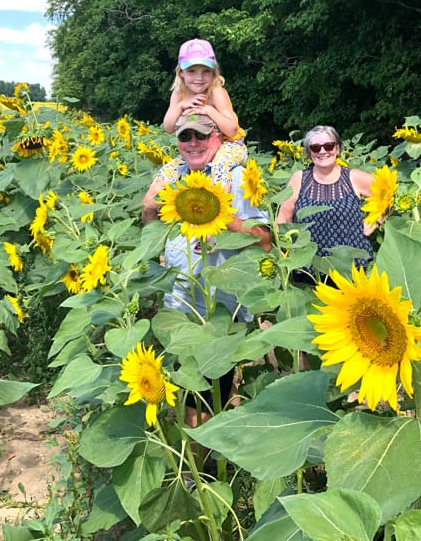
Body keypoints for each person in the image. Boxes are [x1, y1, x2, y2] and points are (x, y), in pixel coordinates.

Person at [142, 112, 270, 426]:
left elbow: (265, 242)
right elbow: (151, 222)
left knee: (211, 384)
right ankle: (201, 465)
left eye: (201, 135)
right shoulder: (172, 177)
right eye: (185, 136)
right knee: (191, 386)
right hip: (181, 302)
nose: (193, 143)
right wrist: (153, 219)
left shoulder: (236, 178)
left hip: (220, 306)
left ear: (218, 138)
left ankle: (207, 462)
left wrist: (224, 219)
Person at [276, 125, 379, 284]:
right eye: (316, 148)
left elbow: (388, 193)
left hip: (351, 268)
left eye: (329, 146)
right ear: (309, 153)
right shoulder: (299, 179)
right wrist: (287, 255)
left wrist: (375, 219)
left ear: (338, 149)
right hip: (309, 269)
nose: (323, 151)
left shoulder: (353, 178)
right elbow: (282, 221)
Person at [160, 38, 247, 192]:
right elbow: (168, 127)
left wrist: (209, 110)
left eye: (205, 71)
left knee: (220, 167)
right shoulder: (179, 93)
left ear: (214, 73)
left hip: (231, 146)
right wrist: (181, 106)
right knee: (166, 173)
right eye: (192, 71)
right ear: (181, 73)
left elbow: (232, 129)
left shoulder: (215, 91)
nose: (199, 78)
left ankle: (220, 204)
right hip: (199, 148)